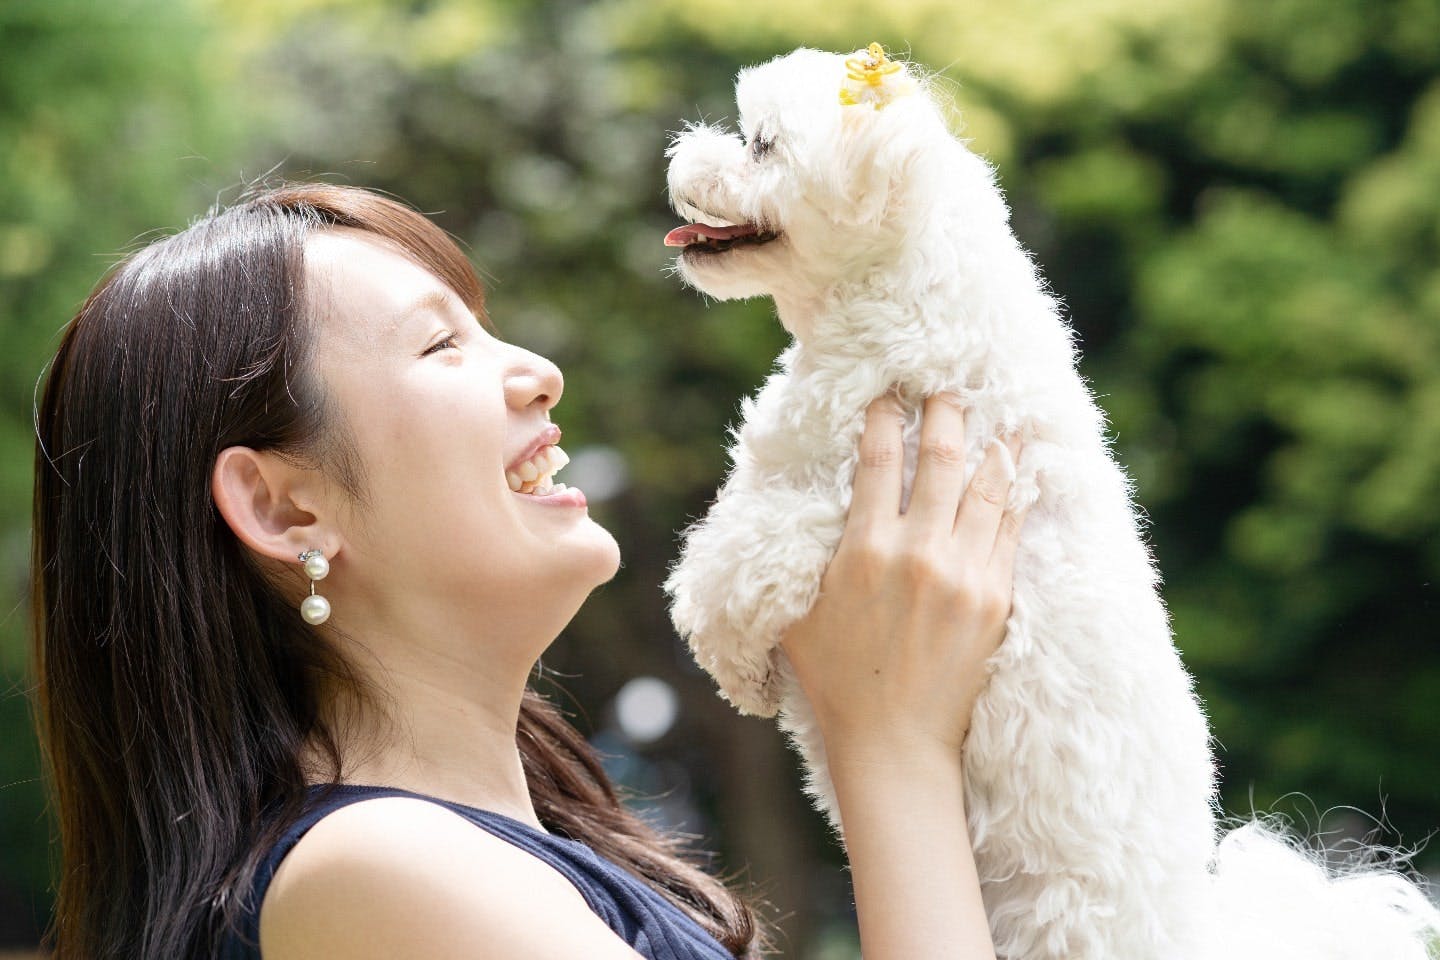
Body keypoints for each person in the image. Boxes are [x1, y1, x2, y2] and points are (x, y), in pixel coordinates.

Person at [30, 183, 1028, 959]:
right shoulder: (376, 872)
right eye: (440, 344)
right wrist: (890, 744)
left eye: (486, 326)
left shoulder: (478, 852)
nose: (537, 371)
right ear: (288, 507)